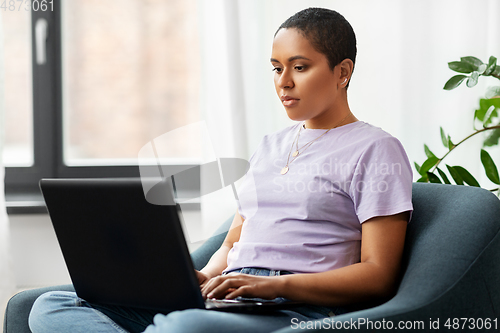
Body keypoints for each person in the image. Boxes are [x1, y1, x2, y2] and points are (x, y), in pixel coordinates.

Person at [28, 7, 413, 333]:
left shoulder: (376, 149)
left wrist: (270, 286)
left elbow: (378, 275)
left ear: (342, 72)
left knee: (182, 328)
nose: (284, 82)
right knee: (51, 306)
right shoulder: (270, 146)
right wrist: (206, 277)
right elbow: (232, 243)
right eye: (276, 68)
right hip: (232, 296)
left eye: (300, 67)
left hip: (292, 308)